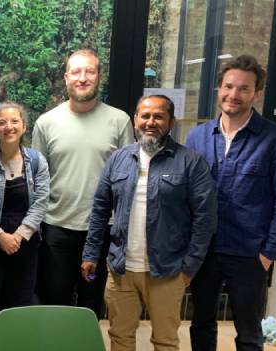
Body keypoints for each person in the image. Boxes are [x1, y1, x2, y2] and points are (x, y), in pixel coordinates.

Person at [81, 95, 217, 351]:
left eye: (159, 116)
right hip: (121, 270)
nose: (150, 122)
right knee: (120, 337)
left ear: (171, 122)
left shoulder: (190, 162)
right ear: (135, 120)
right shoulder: (118, 159)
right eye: (145, 116)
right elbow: (100, 209)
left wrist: (190, 266)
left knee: (165, 341)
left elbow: (205, 218)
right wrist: (90, 253)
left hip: (168, 271)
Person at [186, 55, 276, 351]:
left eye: (244, 89)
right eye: (228, 86)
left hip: (250, 252)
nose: (233, 95)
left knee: (248, 334)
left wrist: (269, 253)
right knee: (201, 325)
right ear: (219, 88)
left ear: (257, 94)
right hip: (204, 250)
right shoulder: (197, 137)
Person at [31, 49, 133, 316]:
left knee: (91, 306)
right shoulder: (46, 123)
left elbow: (128, 181)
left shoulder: (120, 121)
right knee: (54, 306)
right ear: (66, 77)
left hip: (101, 231)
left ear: (99, 76)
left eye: (89, 71)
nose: (82, 78)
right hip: (57, 229)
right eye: (76, 72)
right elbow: (38, 181)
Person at [0, 102, 50, 351]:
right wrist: (0, 235)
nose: (9, 127)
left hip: (25, 247)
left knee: (20, 306)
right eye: (2, 122)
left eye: (15, 121)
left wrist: (20, 235)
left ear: (24, 126)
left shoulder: (37, 161)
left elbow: (41, 201)